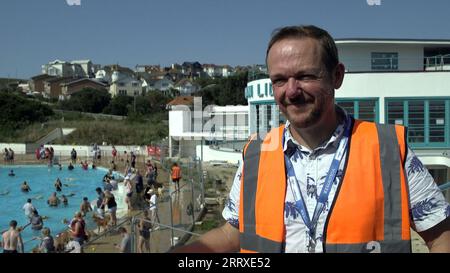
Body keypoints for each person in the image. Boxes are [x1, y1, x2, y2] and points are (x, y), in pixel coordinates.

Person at [172, 25, 450, 253]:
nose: (291, 91)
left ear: (336, 76)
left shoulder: (389, 150)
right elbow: (233, 234)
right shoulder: (256, 154)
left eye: (305, 76)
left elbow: (441, 237)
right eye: (279, 80)